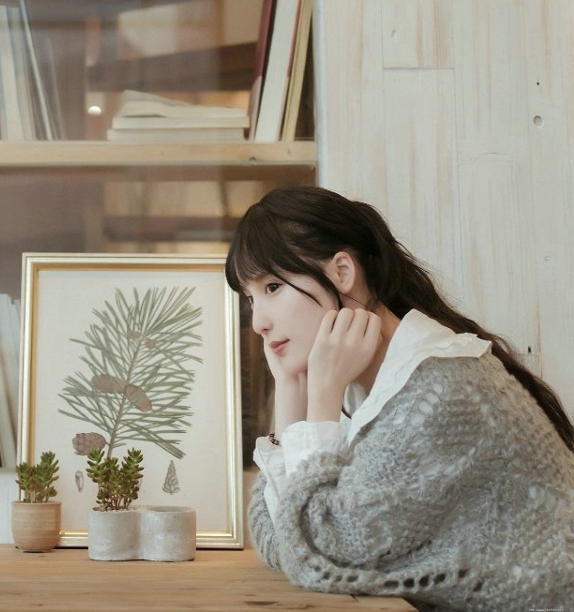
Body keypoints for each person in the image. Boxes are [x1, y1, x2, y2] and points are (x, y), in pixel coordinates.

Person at [225, 186, 574, 611]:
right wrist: (291, 391)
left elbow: (321, 552)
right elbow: (282, 541)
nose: (258, 322)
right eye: (250, 298)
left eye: (273, 286)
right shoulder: (365, 388)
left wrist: (321, 397)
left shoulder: (441, 391)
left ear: (342, 272)